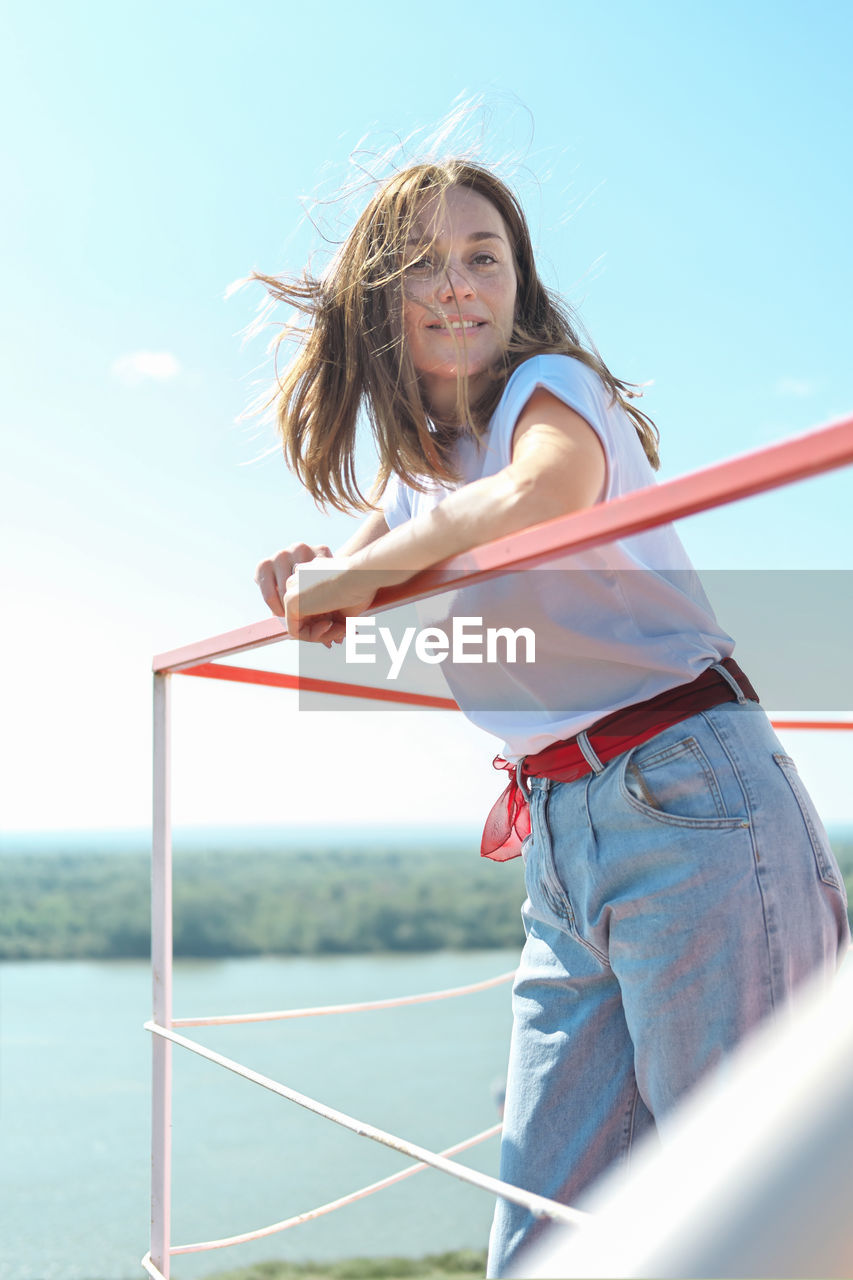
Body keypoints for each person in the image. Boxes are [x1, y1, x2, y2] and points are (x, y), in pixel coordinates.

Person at [252, 159, 849, 1277]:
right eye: (426, 262)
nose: (461, 282)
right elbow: (410, 621)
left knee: (753, 1225)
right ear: (379, 296)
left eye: (485, 257)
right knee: (538, 1238)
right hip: (563, 836)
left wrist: (363, 573)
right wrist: (316, 584)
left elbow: (546, 494)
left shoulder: (551, 391)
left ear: (520, 285)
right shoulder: (417, 489)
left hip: (688, 798)